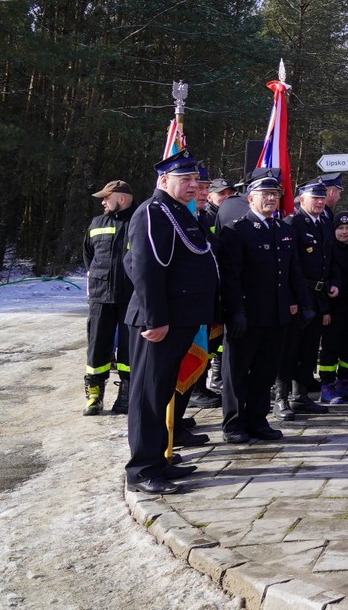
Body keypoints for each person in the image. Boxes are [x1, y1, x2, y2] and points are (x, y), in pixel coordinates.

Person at [122, 152, 217, 494]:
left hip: (181, 320)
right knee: (147, 396)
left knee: (161, 393)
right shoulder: (152, 211)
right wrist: (156, 318)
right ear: (164, 181)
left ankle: (160, 459)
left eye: (195, 180)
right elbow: (145, 267)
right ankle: (143, 470)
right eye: (185, 180)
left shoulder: (178, 212)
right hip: (159, 323)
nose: (193, 186)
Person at [217, 176, 306, 443]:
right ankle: (233, 424)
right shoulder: (236, 230)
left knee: (265, 372)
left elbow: (292, 272)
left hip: (275, 315)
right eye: (264, 193)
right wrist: (236, 312)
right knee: (236, 372)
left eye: (274, 194)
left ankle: (258, 420)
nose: (270, 199)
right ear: (250, 198)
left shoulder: (282, 229)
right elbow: (230, 277)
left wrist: (304, 304)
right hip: (246, 315)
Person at [83, 180, 136, 416]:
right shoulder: (97, 223)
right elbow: (88, 256)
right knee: (97, 347)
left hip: (131, 298)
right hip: (100, 296)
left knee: (129, 350)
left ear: (122, 198)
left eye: (107, 197)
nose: (103, 202)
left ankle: (126, 394)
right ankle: (94, 395)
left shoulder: (140, 221)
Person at [281, 180, 333, 417]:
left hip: (318, 295)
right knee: (289, 348)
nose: (321, 202)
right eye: (316, 198)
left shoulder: (324, 222)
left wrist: (333, 285)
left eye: (323, 198)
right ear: (301, 200)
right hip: (299, 295)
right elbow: (290, 266)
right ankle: (281, 397)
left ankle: (300, 396)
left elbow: (327, 259)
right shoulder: (293, 223)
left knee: (309, 349)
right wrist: (295, 299)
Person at [319, 211, 348, 404]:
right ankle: (327, 385)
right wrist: (325, 310)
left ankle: (344, 382)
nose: (344, 232)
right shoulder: (327, 249)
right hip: (333, 308)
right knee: (331, 347)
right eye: (340, 228)